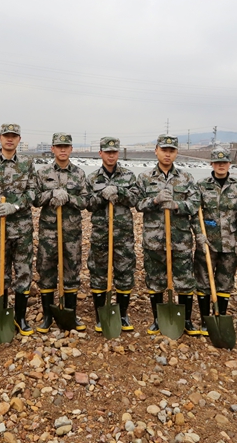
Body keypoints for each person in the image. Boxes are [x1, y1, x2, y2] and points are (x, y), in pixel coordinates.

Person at [136, 135, 201, 336]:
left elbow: (195, 204)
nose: (167, 154)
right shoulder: (145, 178)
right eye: (164, 150)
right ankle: (158, 319)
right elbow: (137, 203)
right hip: (154, 239)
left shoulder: (186, 178)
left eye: (171, 151)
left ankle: (186, 320)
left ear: (176, 153)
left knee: (185, 280)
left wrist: (177, 205)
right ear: (156, 150)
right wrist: (154, 201)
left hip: (180, 239)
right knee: (155, 280)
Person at [0, 124, 37, 336]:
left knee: (23, 272)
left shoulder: (27, 163)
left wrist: (16, 206)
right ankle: (1, 312)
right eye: (6, 136)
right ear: (0, 138)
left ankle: (20, 318)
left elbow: (33, 192)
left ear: (19, 139)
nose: (9, 139)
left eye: (13, 136)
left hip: (22, 229)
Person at [190, 146, 237, 336]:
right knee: (203, 282)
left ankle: (220, 316)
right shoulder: (201, 185)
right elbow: (195, 213)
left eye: (224, 162)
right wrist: (199, 234)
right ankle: (205, 320)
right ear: (212, 164)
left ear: (229, 164)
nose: (221, 165)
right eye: (217, 162)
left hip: (230, 243)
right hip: (207, 242)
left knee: (225, 282)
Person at [34, 133, 89, 331]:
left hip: (71, 232)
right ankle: (48, 317)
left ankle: (70, 314)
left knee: (71, 271)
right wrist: (51, 194)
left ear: (71, 149)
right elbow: (34, 199)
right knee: (46, 271)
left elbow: (86, 201)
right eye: (59, 146)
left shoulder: (79, 173)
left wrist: (69, 198)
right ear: (53, 149)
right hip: (49, 232)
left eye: (66, 146)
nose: (63, 150)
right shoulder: (43, 173)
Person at [85, 137, 140, 332]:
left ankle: (123, 315)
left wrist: (120, 192)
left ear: (118, 153)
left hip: (123, 233)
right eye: (107, 152)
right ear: (100, 153)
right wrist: (101, 195)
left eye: (114, 152)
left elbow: (135, 200)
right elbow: (87, 204)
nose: (111, 155)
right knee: (98, 272)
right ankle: (101, 315)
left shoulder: (129, 176)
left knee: (125, 272)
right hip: (101, 233)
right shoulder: (92, 178)